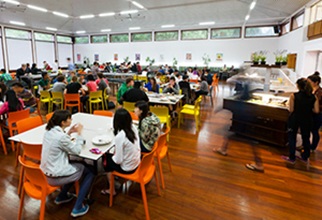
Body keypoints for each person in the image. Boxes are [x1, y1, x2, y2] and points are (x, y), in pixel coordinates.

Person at [40, 110, 94, 217]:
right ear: (63, 122)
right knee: (90, 171)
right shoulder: (61, 137)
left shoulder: (48, 132)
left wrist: (68, 133)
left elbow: (60, 142)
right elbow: (77, 150)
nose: (71, 120)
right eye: (69, 118)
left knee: (75, 165)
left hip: (45, 173)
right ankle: (77, 207)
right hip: (55, 176)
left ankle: (62, 195)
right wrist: (79, 133)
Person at [101, 108, 140, 196]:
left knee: (106, 159)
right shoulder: (133, 128)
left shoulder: (120, 136)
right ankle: (115, 179)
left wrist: (111, 155)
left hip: (127, 168)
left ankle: (112, 189)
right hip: (137, 162)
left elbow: (118, 160)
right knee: (111, 155)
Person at [282, 78, 319, 164]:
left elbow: (291, 110)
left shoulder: (293, 96)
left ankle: (292, 157)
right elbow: (316, 111)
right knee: (306, 138)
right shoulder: (314, 97)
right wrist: (308, 109)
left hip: (295, 119)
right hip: (307, 119)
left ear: (298, 86)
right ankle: (305, 157)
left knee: (292, 137)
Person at [308, 74, 322, 152]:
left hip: (318, 114)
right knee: (311, 129)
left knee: (314, 130)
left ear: (316, 82)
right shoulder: (311, 90)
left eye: (310, 82)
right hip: (311, 114)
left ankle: (313, 147)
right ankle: (309, 145)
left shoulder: (319, 92)